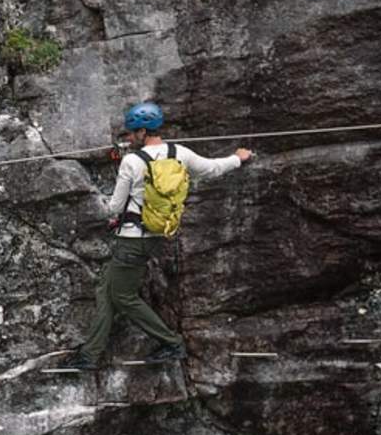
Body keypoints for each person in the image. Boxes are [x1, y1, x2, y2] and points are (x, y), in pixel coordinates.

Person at [64, 101, 253, 369]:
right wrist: (238, 158)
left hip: (131, 241)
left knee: (123, 297)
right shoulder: (179, 153)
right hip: (155, 235)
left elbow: (114, 206)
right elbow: (212, 168)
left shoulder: (132, 160)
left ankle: (172, 343)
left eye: (131, 133)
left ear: (143, 132)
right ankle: (89, 354)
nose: (128, 138)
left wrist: (108, 210)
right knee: (106, 290)